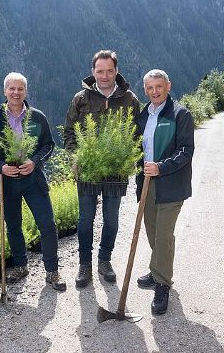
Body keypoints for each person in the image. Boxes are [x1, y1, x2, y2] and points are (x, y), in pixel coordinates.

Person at [0, 72, 66, 291]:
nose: (16, 93)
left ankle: (52, 271)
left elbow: (49, 145)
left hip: (33, 179)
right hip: (6, 182)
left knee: (47, 224)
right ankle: (21, 266)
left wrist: (35, 162)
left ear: (26, 91)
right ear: (5, 91)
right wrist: (0, 167)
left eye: (20, 89)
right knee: (14, 226)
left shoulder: (37, 117)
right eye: (12, 88)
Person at [64, 50, 141, 288]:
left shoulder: (130, 99)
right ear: (93, 72)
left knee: (112, 220)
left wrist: (131, 159)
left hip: (116, 171)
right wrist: (75, 157)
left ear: (116, 71)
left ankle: (104, 260)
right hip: (87, 169)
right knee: (86, 219)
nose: (105, 75)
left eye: (109, 71)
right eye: (100, 71)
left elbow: (137, 135)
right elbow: (69, 132)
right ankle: (84, 264)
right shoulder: (81, 99)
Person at [135, 69, 195, 314]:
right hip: (146, 184)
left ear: (168, 86)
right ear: (145, 90)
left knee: (163, 235)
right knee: (151, 231)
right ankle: (157, 268)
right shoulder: (143, 115)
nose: (154, 91)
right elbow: (137, 147)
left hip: (171, 183)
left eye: (159, 86)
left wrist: (161, 167)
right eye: (149, 88)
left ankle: (162, 284)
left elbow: (185, 150)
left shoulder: (180, 114)